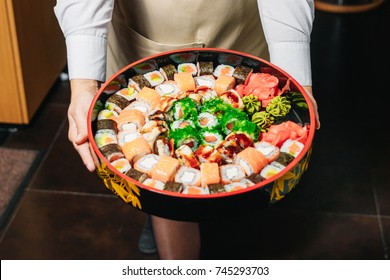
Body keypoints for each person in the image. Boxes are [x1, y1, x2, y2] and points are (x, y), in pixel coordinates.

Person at [54, 0, 320, 260]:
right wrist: (84, 85)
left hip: (242, 25)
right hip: (148, 27)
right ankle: (161, 213)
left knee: (238, 172)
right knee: (159, 153)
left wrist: (297, 81)